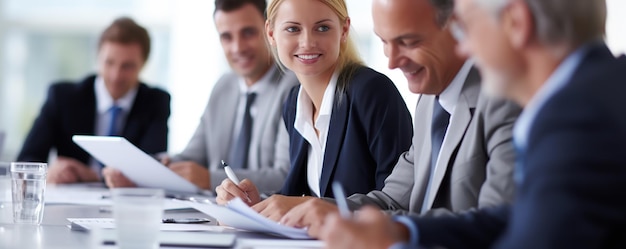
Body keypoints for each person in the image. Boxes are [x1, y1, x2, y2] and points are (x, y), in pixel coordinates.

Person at [320, 0, 626, 248]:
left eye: (466, 28)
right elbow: (514, 219)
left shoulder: (579, 118)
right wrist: (402, 232)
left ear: (516, 23)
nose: (464, 49)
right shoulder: (593, 95)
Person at [272, 0, 521, 235]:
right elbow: (390, 200)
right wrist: (323, 211)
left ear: (457, 28)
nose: (391, 62)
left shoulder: (504, 101)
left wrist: (400, 231)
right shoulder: (429, 103)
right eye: (384, 42)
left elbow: (498, 221)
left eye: (409, 42)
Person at [215, 0, 414, 221]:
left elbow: (399, 204)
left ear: (344, 30)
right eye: (293, 29)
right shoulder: (294, 103)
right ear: (271, 33)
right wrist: (256, 203)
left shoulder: (372, 92)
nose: (307, 42)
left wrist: (305, 205)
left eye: (322, 28)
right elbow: (298, 196)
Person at [103, 0, 298, 192]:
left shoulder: (292, 86)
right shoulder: (224, 86)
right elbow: (192, 156)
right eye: (227, 37)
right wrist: (138, 171)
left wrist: (209, 178)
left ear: (269, 31)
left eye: (248, 33)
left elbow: (283, 176)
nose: (238, 47)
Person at [17, 17, 170, 184]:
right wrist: (50, 172)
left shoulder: (156, 101)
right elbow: (26, 160)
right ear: (97, 58)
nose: (115, 75)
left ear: (143, 64)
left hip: (125, 203)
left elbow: (152, 170)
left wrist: (94, 175)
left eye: (127, 66)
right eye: (109, 63)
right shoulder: (63, 97)